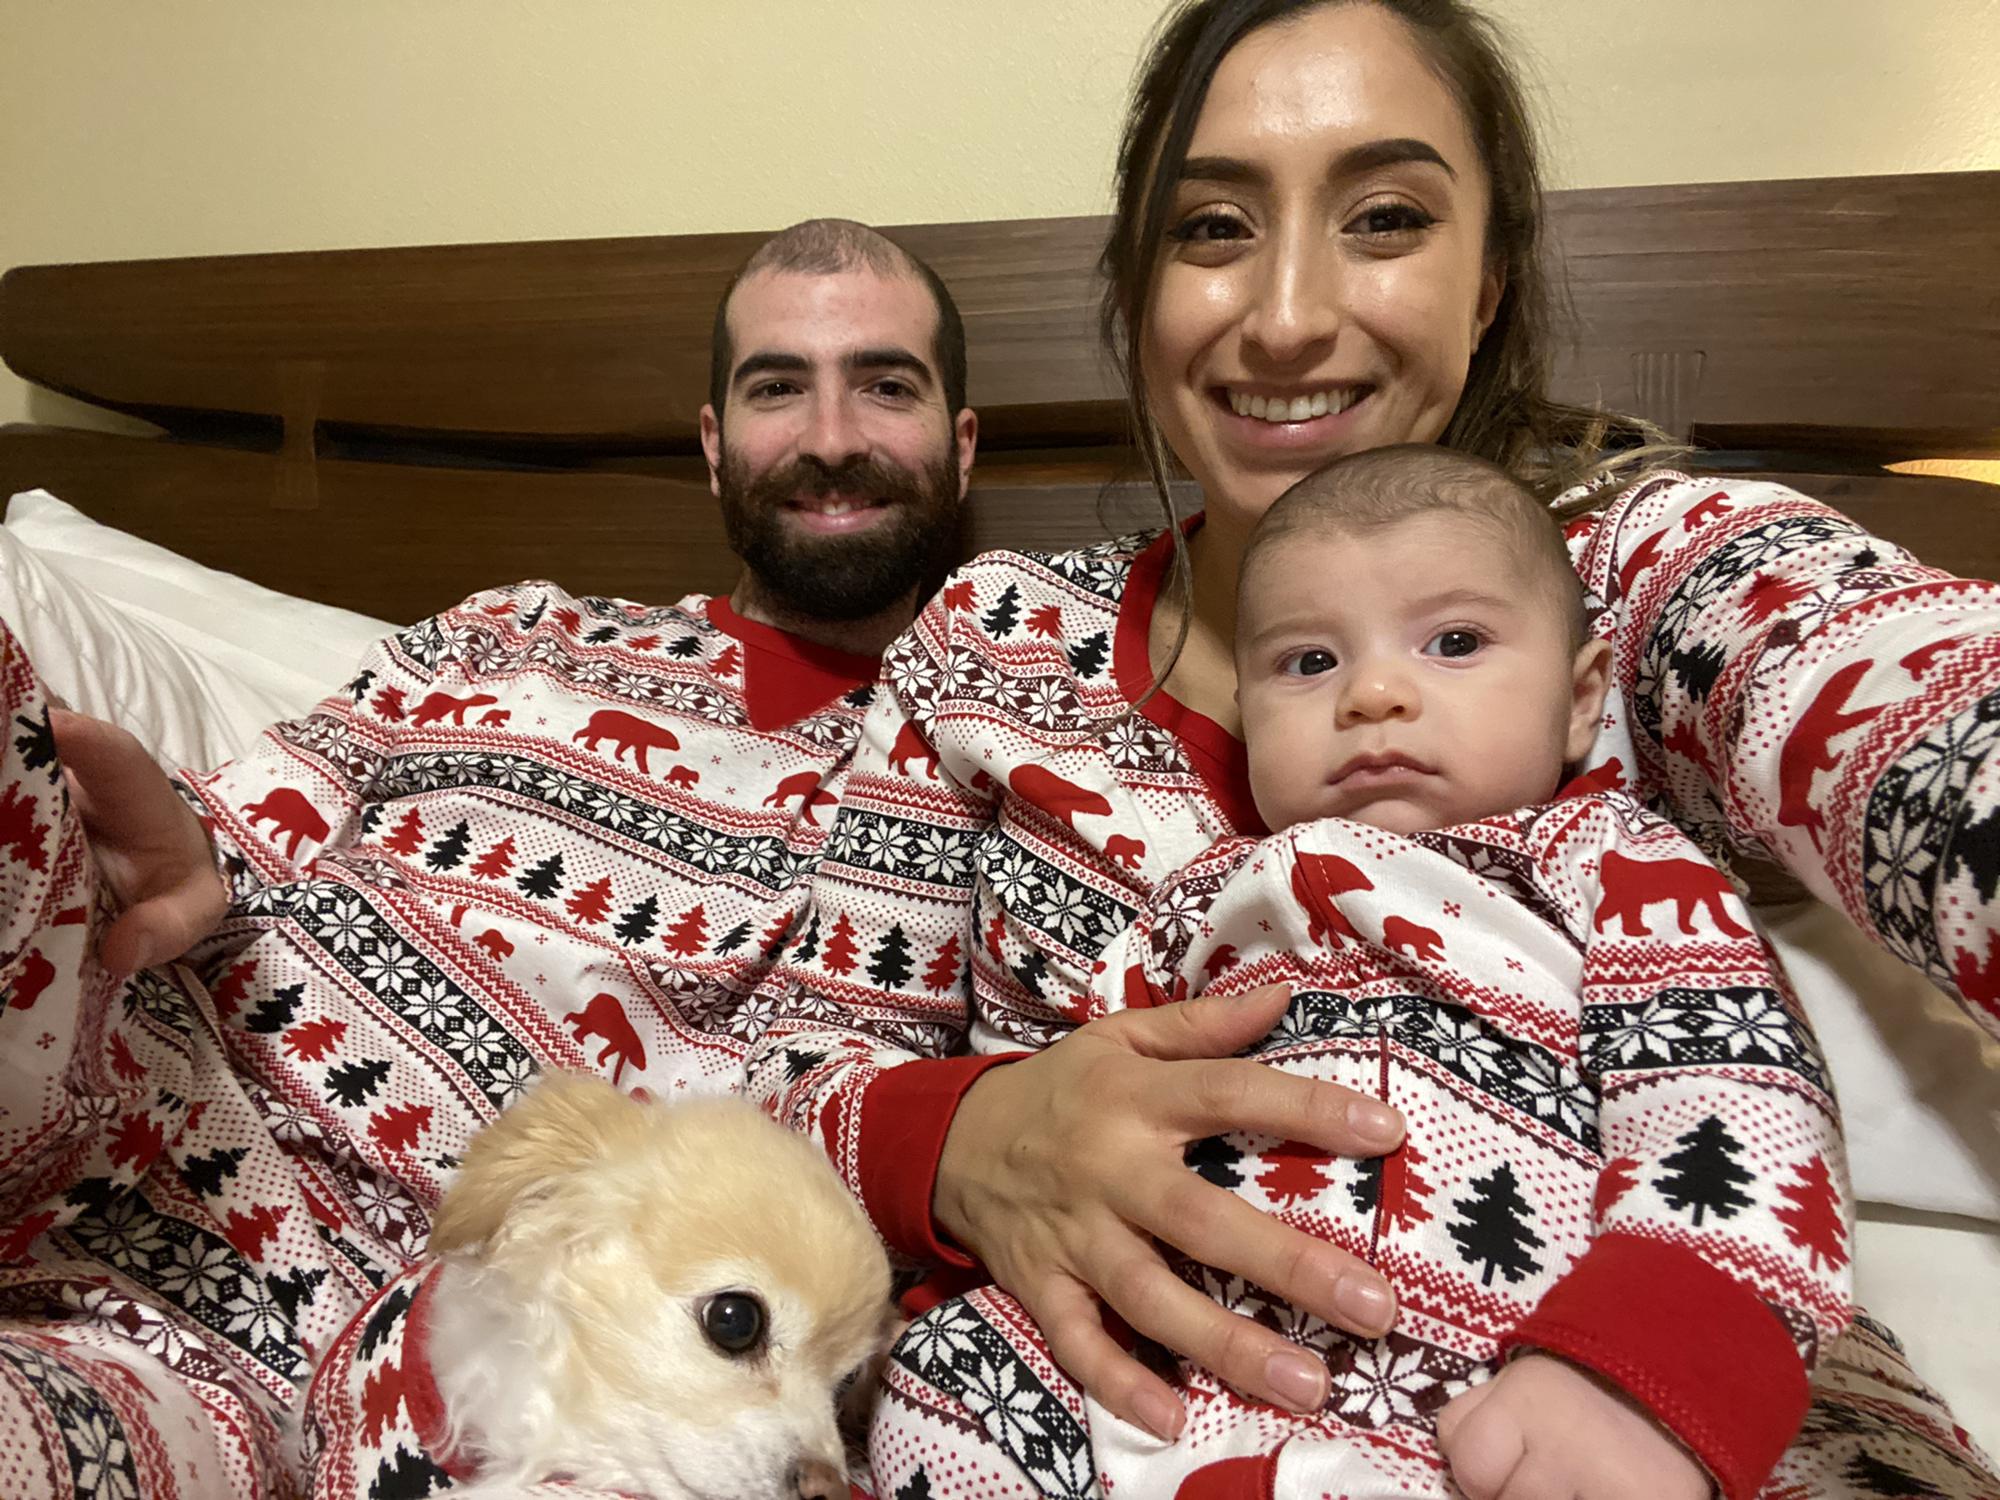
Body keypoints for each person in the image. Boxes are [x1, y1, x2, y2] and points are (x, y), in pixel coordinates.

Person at [744, 5, 2000, 1497]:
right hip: (1120, 1415)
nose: (1285, 316)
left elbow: (1918, 715)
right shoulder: (994, 641)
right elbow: (793, 1077)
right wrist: (970, 1135)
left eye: (1386, 216)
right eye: (1212, 227)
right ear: (1138, 297)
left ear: (1486, 289)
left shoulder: (1626, 586)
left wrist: (1663, 1363)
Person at [0, 218, 974, 1499]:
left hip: (304, 1339)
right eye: (776, 386)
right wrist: (175, 846)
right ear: (712, 441)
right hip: (101, 1074)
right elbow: (231, 833)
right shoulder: (507, 630)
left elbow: (835, 1114)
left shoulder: (937, 782)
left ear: (962, 446)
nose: (831, 435)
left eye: (886, 385)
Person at [869, 443, 1853, 1498]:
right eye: (1308, 663)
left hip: (1497, 1375)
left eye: (1454, 642)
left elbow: (1736, 1092)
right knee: (936, 1384)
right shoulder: (1200, 897)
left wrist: (1641, 1371)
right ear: (1247, 714)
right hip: (1183, 1365)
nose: (1373, 693)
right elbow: (1084, 1101)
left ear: (1579, 701)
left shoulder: (1610, 865)